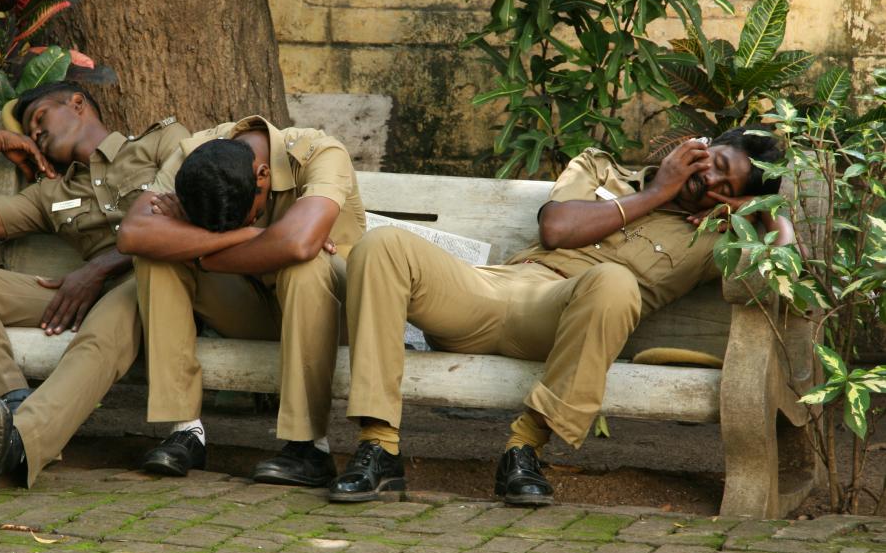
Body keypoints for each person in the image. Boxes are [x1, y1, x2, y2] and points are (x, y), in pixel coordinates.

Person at [328, 128, 791, 503]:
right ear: (702, 145)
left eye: (726, 189)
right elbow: (556, 228)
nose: (711, 184)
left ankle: (523, 451)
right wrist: (656, 192)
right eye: (719, 167)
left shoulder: (714, 237)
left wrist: (763, 212)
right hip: (492, 290)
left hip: (559, 322)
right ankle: (378, 448)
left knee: (614, 281)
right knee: (382, 246)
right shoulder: (600, 168)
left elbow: (792, 273)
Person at [0, 81, 188, 493]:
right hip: (82, 294)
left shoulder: (161, 142)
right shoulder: (50, 193)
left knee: (103, 331)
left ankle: (17, 443)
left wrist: (99, 268)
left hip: (154, 281)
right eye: (28, 131)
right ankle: (6, 411)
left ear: (77, 103)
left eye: (40, 118)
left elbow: (194, 213)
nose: (36, 133)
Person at [117, 114, 365, 488]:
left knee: (305, 261)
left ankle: (309, 447)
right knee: (156, 257)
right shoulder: (193, 154)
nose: (235, 229)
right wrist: (255, 232)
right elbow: (134, 234)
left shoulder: (320, 152)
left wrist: (200, 247)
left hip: (333, 313)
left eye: (249, 214)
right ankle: (186, 431)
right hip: (250, 303)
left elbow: (298, 243)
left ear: (262, 176)